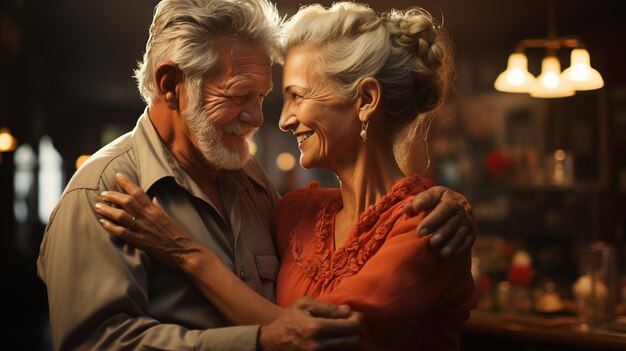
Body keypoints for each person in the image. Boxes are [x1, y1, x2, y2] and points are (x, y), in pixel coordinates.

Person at [37, 0, 475, 350]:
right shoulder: (101, 192)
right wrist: (262, 342)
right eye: (238, 95)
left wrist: (451, 205)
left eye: (265, 96)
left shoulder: (258, 185)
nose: (263, 119)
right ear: (171, 84)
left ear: (365, 101)